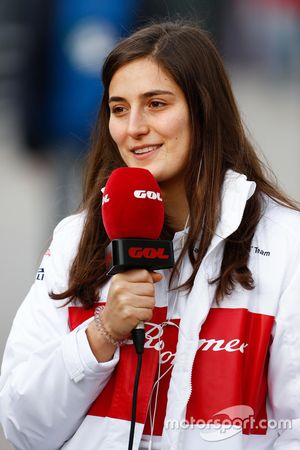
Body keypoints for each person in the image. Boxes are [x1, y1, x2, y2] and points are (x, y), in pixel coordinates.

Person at [1, 19, 300, 450]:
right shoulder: (76, 239)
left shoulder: (286, 242)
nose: (133, 127)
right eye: (119, 109)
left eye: (156, 104)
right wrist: (101, 334)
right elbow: (23, 427)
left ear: (205, 109)